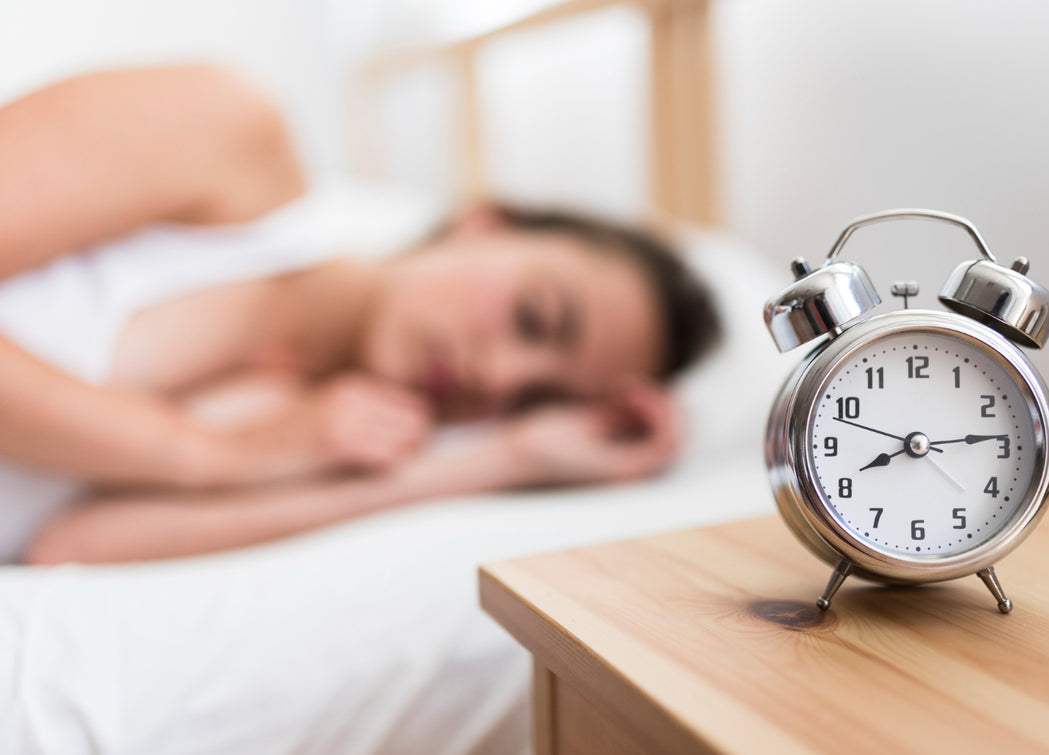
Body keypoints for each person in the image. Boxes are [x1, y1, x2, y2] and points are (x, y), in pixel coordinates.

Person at [0, 65, 720, 565]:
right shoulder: (227, 135)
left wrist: (509, 459)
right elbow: (199, 461)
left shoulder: (299, 426)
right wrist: (212, 455)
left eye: (535, 399)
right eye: (533, 317)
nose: (498, 376)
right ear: (483, 223)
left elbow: (74, 544)